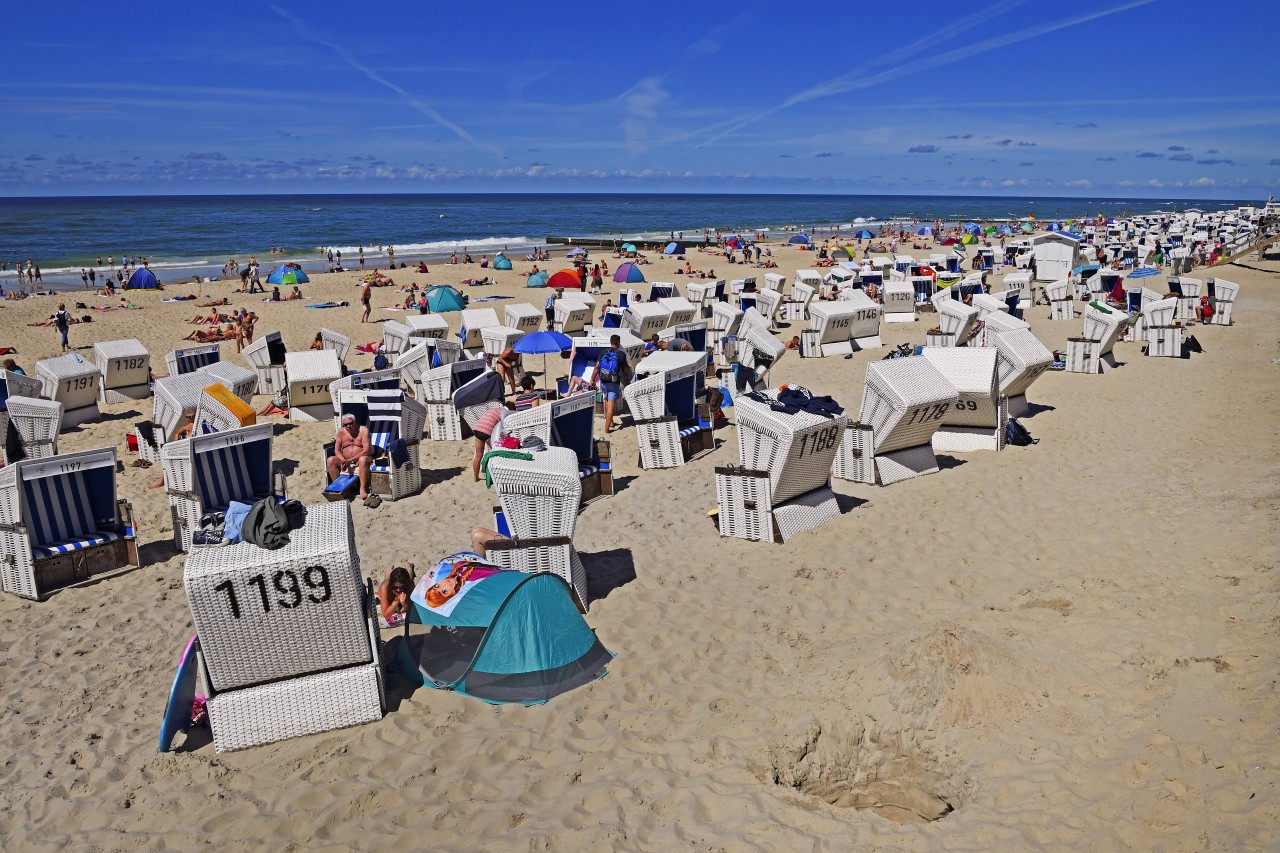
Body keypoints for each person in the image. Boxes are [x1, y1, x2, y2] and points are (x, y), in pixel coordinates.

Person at [327, 412, 374, 502]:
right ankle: (339, 488)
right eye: (345, 424)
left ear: (355, 422)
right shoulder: (341, 432)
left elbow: (366, 450)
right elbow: (337, 450)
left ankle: (362, 488)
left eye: (350, 423)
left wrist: (351, 459)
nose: (348, 426)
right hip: (347, 460)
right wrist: (343, 460)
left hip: (365, 457)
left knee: (362, 459)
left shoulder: (363, 430)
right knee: (330, 460)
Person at [591, 334, 629, 434]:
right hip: (613, 382)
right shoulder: (621, 354)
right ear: (618, 343)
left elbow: (596, 367)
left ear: (611, 342)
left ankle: (611, 422)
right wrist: (629, 367)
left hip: (603, 381)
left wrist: (592, 379)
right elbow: (625, 369)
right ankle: (607, 429)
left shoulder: (603, 352)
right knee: (611, 405)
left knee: (606, 400)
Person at [470, 404, 506, 482]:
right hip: (487, 432)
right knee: (495, 453)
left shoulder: (493, 410)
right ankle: (497, 475)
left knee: (478, 455)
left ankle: (476, 478)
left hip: (477, 429)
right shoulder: (505, 412)